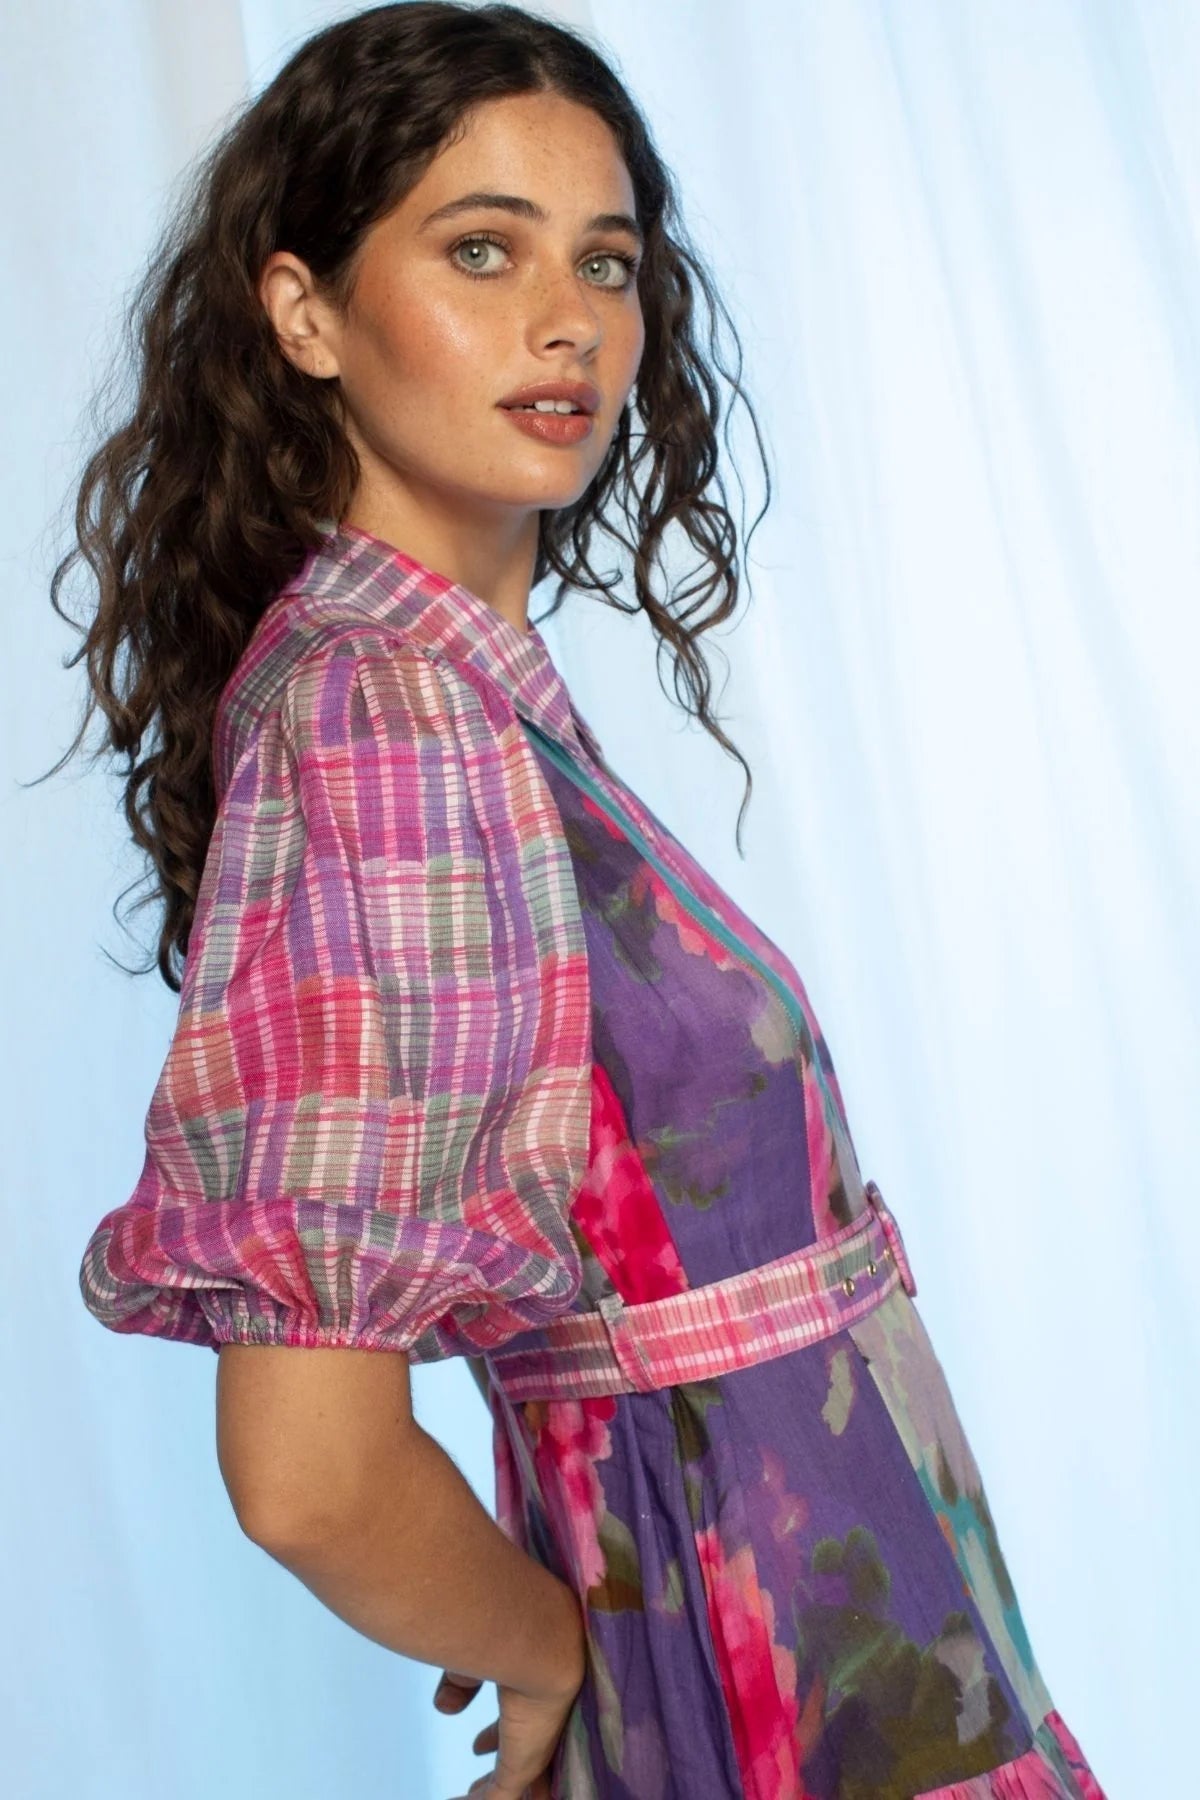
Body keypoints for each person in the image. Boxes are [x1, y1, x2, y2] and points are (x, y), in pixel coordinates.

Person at [55, 5, 1106, 1797]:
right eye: (483, 251)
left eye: (604, 264)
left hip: (837, 1617)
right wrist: (557, 1654)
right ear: (303, 312)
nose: (568, 323)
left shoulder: (459, 691)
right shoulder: (384, 718)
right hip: (744, 1648)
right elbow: (308, 1471)